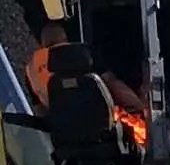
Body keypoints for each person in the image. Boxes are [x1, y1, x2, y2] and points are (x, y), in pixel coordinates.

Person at [27, 21, 149, 150]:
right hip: (103, 127)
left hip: (66, 135)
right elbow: (115, 86)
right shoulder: (85, 54)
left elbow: (40, 112)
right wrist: (141, 108)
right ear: (65, 38)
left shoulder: (31, 70)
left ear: (42, 44)